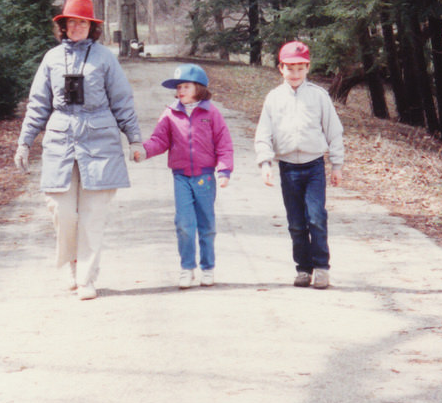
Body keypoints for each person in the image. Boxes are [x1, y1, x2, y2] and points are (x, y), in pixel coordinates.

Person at [14, 0, 143, 300]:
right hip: (60, 141)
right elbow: (38, 105)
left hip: (100, 141)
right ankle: (72, 265)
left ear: (92, 27)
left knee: (92, 216)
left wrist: (134, 139)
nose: (76, 27)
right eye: (71, 22)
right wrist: (24, 142)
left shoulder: (105, 58)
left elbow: (123, 101)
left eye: (82, 22)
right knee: (62, 211)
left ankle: (86, 278)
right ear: (63, 26)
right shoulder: (51, 59)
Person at [133, 64, 233, 289]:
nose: (181, 91)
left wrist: (224, 169)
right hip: (181, 177)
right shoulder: (170, 113)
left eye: (185, 86)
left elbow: (224, 144)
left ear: (199, 88)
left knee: (207, 224)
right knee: (184, 224)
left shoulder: (211, 113)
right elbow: (160, 140)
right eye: (178, 87)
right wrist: (145, 151)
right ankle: (187, 268)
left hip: (205, 177)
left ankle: (208, 267)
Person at [254, 40, 344, 289]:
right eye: (289, 68)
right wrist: (265, 163)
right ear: (280, 68)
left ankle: (322, 267)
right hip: (288, 168)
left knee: (316, 217)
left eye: (300, 68)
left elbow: (334, 131)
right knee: (296, 222)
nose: (294, 74)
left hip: (313, 166)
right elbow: (264, 133)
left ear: (307, 68)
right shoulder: (273, 98)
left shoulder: (318, 96)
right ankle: (303, 268)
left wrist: (336, 165)